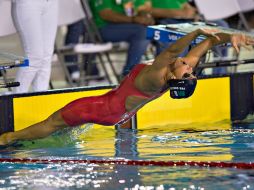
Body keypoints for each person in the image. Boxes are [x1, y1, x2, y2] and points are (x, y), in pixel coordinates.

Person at [0, 28, 253, 146]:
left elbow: (174, 49)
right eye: (191, 69)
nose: (189, 65)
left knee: (55, 121)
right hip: (119, 112)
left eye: (187, 71)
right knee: (63, 129)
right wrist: (232, 38)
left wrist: (197, 29)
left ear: (175, 78)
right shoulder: (176, 71)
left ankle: (9, 138)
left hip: (105, 108)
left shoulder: (156, 77)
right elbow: (209, 44)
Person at [89, 0, 154, 76]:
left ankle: (156, 73)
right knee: (143, 32)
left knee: (157, 31)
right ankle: (129, 73)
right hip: (103, 28)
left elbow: (140, 8)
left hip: (129, 26)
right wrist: (134, 19)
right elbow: (106, 14)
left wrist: (145, 16)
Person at [11, 0, 58, 93]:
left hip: (51, 3)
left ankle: (41, 98)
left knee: (46, 56)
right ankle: (17, 98)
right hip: (28, 3)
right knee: (34, 57)